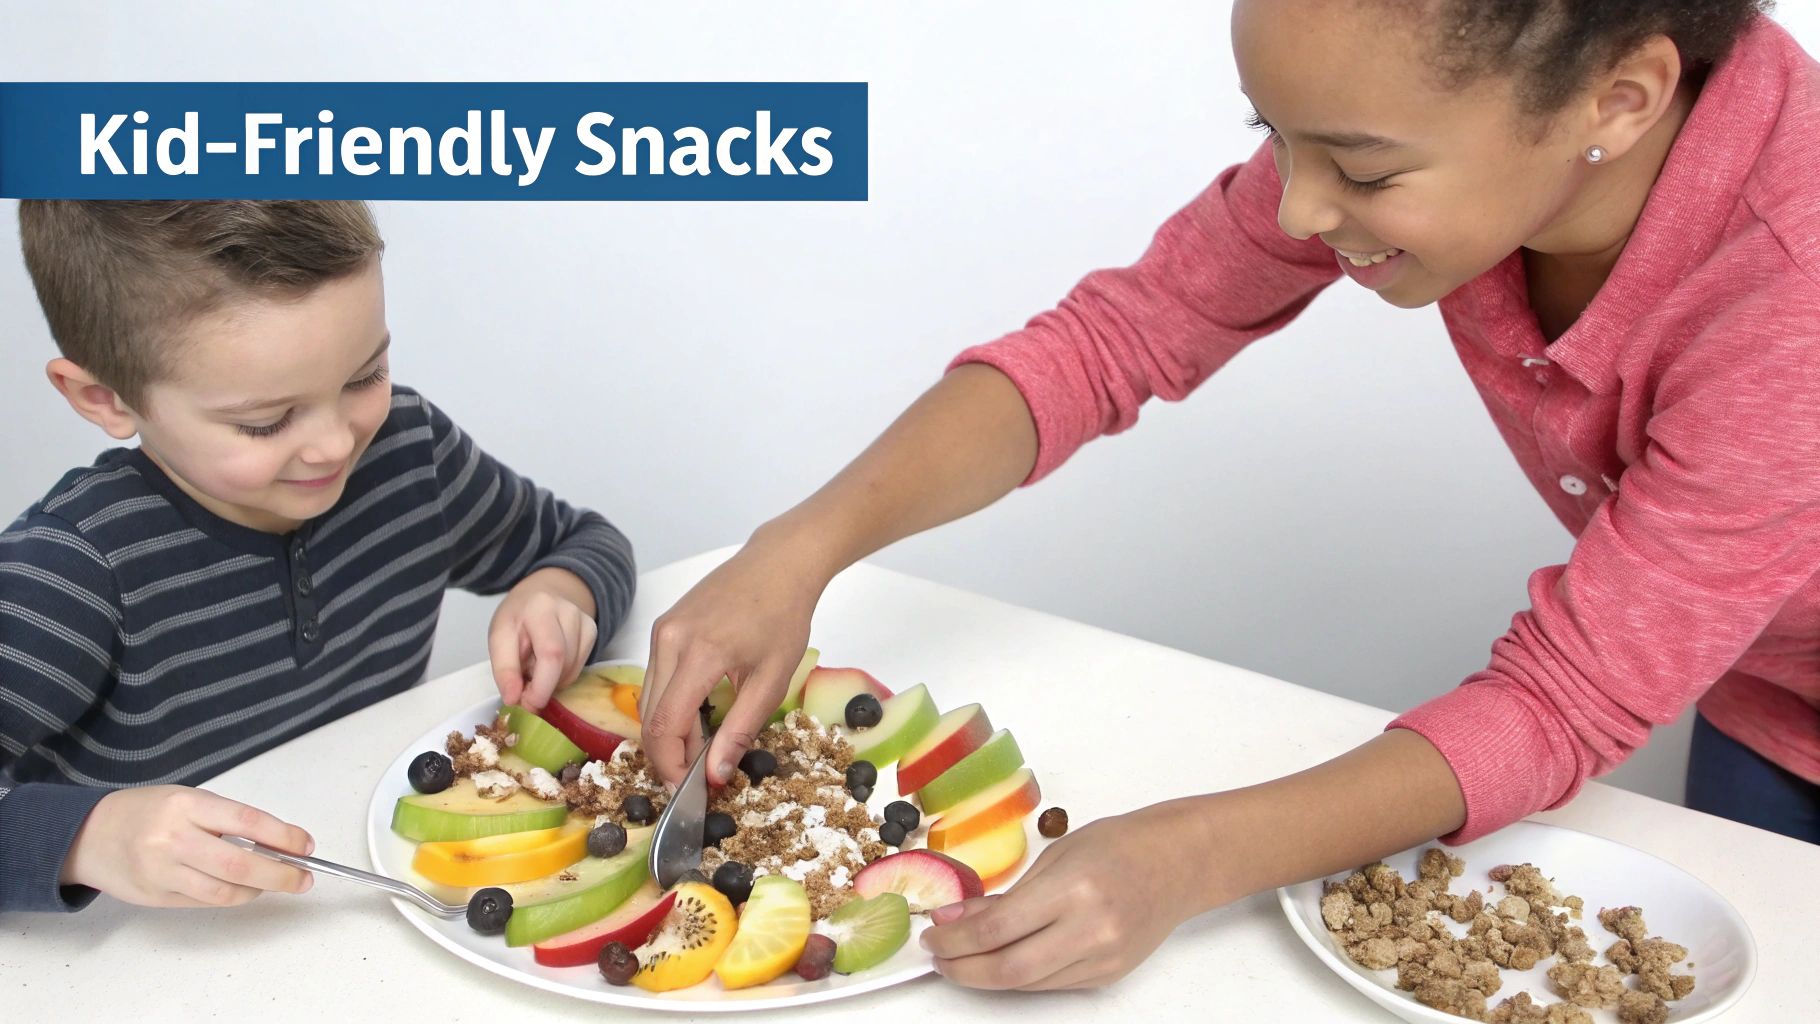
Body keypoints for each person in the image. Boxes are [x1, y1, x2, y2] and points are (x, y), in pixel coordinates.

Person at [634, 0, 1820, 990]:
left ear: (1618, 101)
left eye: (1359, 169)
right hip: (1762, 694)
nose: (1299, 209)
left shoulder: (1792, 283)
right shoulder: (1457, 106)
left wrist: (1182, 856)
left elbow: (1564, 698)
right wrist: (798, 547)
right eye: (1277, 141)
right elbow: (1116, 337)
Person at [0, 200, 635, 914]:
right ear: (104, 396)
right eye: (265, 421)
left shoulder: (407, 451)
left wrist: (559, 590)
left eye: (364, 376)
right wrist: (89, 838)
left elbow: (585, 541)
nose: (335, 443)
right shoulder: (69, 570)